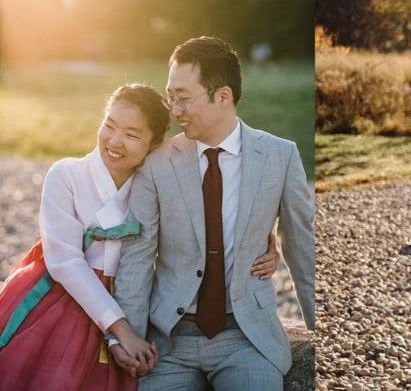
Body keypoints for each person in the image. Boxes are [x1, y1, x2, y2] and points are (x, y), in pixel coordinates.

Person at [0, 84, 280, 390]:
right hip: (63, 296)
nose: (114, 141)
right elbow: (65, 261)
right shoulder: (66, 175)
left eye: (132, 135)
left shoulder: (154, 186)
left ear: (154, 144)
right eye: (109, 125)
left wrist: (267, 243)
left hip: (129, 296)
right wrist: (122, 331)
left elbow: (205, 228)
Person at [114, 36, 316, 389]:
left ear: (223, 96)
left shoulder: (280, 157)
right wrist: (126, 339)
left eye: (183, 98)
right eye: (170, 97)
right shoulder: (157, 163)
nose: (174, 110)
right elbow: (137, 256)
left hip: (245, 337)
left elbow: (302, 247)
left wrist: (322, 328)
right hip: (169, 342)